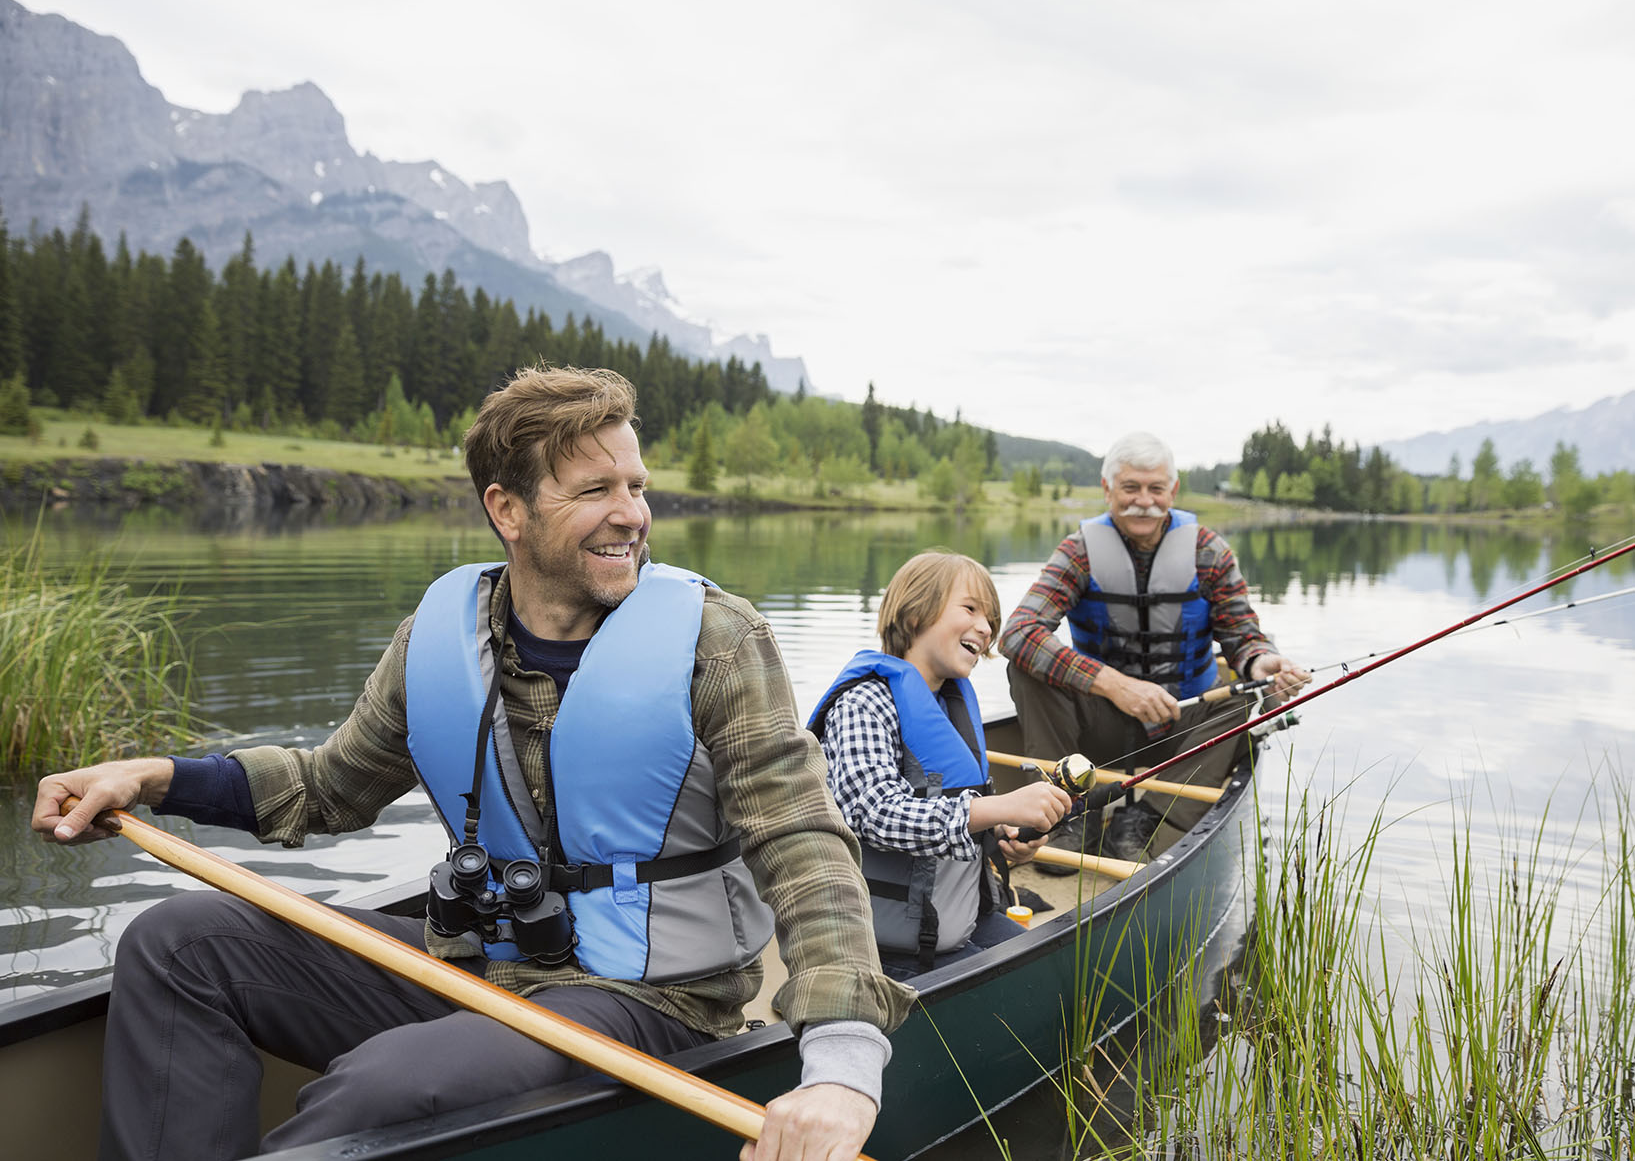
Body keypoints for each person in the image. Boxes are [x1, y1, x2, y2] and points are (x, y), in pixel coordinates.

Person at [33, 365, 915, 1161]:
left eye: (636, 487)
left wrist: (841, 1060)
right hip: (476, 962)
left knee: (380, 1087)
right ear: (508, 510)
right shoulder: (441, 635)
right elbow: (326, 790)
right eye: (595, 489)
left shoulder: (716, 641)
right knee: (177, 943)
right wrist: (155, 779)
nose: (632, 514)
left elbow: (803, 843)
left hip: (650, 1001)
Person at [998, 431, 1310, 867]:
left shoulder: (1209, 552)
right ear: (1107, 490)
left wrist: (1263, 662)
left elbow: (1244, 638)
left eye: (1154, 488)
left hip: (1185, 727)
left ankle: (1148, 816)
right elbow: (1017, 632)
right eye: (1130, 488)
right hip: (1099, 729)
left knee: (1249, 696)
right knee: (1027, 665)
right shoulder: (1079, 551)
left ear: (1172, 492)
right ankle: (1066, 809)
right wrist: (1114, 685)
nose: (1142, 500)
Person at [807, 550, 1072, 980]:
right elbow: (873, 813)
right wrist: (999, 808)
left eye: (990, 619)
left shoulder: (950, 706)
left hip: (957, 919)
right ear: (915, 615)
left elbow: (958, 808)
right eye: (970, 609)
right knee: (1035, 988)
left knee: (1061, 972)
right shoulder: (864, 703)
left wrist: (1004, 834)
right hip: (879, 947)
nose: (985, 628)